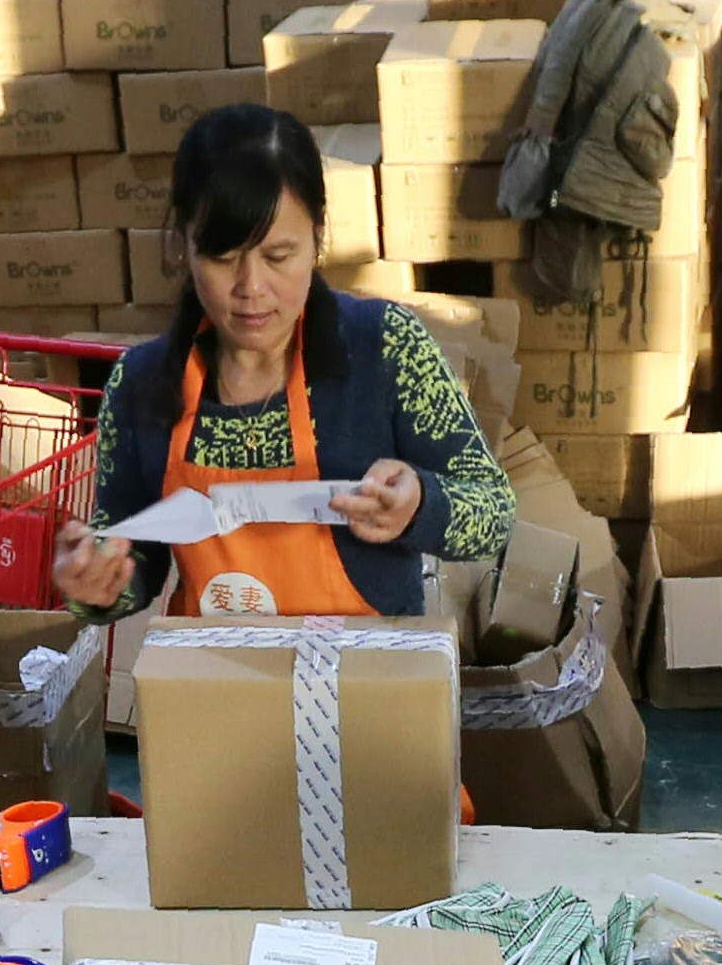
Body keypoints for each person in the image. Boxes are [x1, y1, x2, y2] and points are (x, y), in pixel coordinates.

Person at [53, 104, 512, 625]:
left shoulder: (385, 348)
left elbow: (493, 512)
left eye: (278, 257)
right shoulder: (140, 382)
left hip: (370, 682)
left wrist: (420, 507)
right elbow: (133, 555)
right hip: (220, 682)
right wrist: (97, 580)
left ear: (318, 238)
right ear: (183, 244)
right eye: (223, 258)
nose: (250, 288)